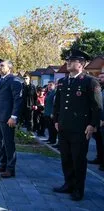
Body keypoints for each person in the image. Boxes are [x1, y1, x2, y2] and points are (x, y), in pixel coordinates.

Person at [53, 49, 102, 201]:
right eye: (67, 60)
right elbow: (58, 104)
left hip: (80, 129)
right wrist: (56, 120)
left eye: (72, 61)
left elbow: (97, 106)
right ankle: (68, 184)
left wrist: (92, 125)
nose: (68, 63)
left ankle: (78, 189)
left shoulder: (89, 81)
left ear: (81, 64)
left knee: (78, 160)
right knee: (65, 158)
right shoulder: (62, 82)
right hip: (63, 127)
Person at [0, 60, 23, 178]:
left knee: (8, 143)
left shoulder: (14, 80)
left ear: (9, 68)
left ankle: (10, 168)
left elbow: (17, 100)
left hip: (7, 118)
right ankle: (2, 164)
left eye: (2, 65)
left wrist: (13, 116)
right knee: (0, 142)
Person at [88, 72, 104, 170]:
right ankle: (99, 158)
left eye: (102, 77)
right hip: (98, 121)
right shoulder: (99, 89)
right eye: (99, 77)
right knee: (99, 141)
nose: (99, 79)